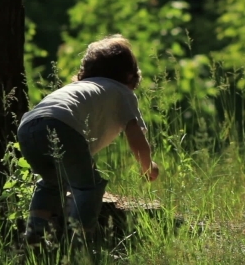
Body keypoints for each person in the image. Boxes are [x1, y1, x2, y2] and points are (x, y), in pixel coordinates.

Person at [16, 34, 159, 249]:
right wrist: (147, 165)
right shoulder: (121, 92)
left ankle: (34, 235)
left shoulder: (81, 89)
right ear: (130, 75)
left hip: (27, 126)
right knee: (88, 188)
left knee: (51, 183)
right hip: (61, 125)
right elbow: (135, 135)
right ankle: (78, 242)